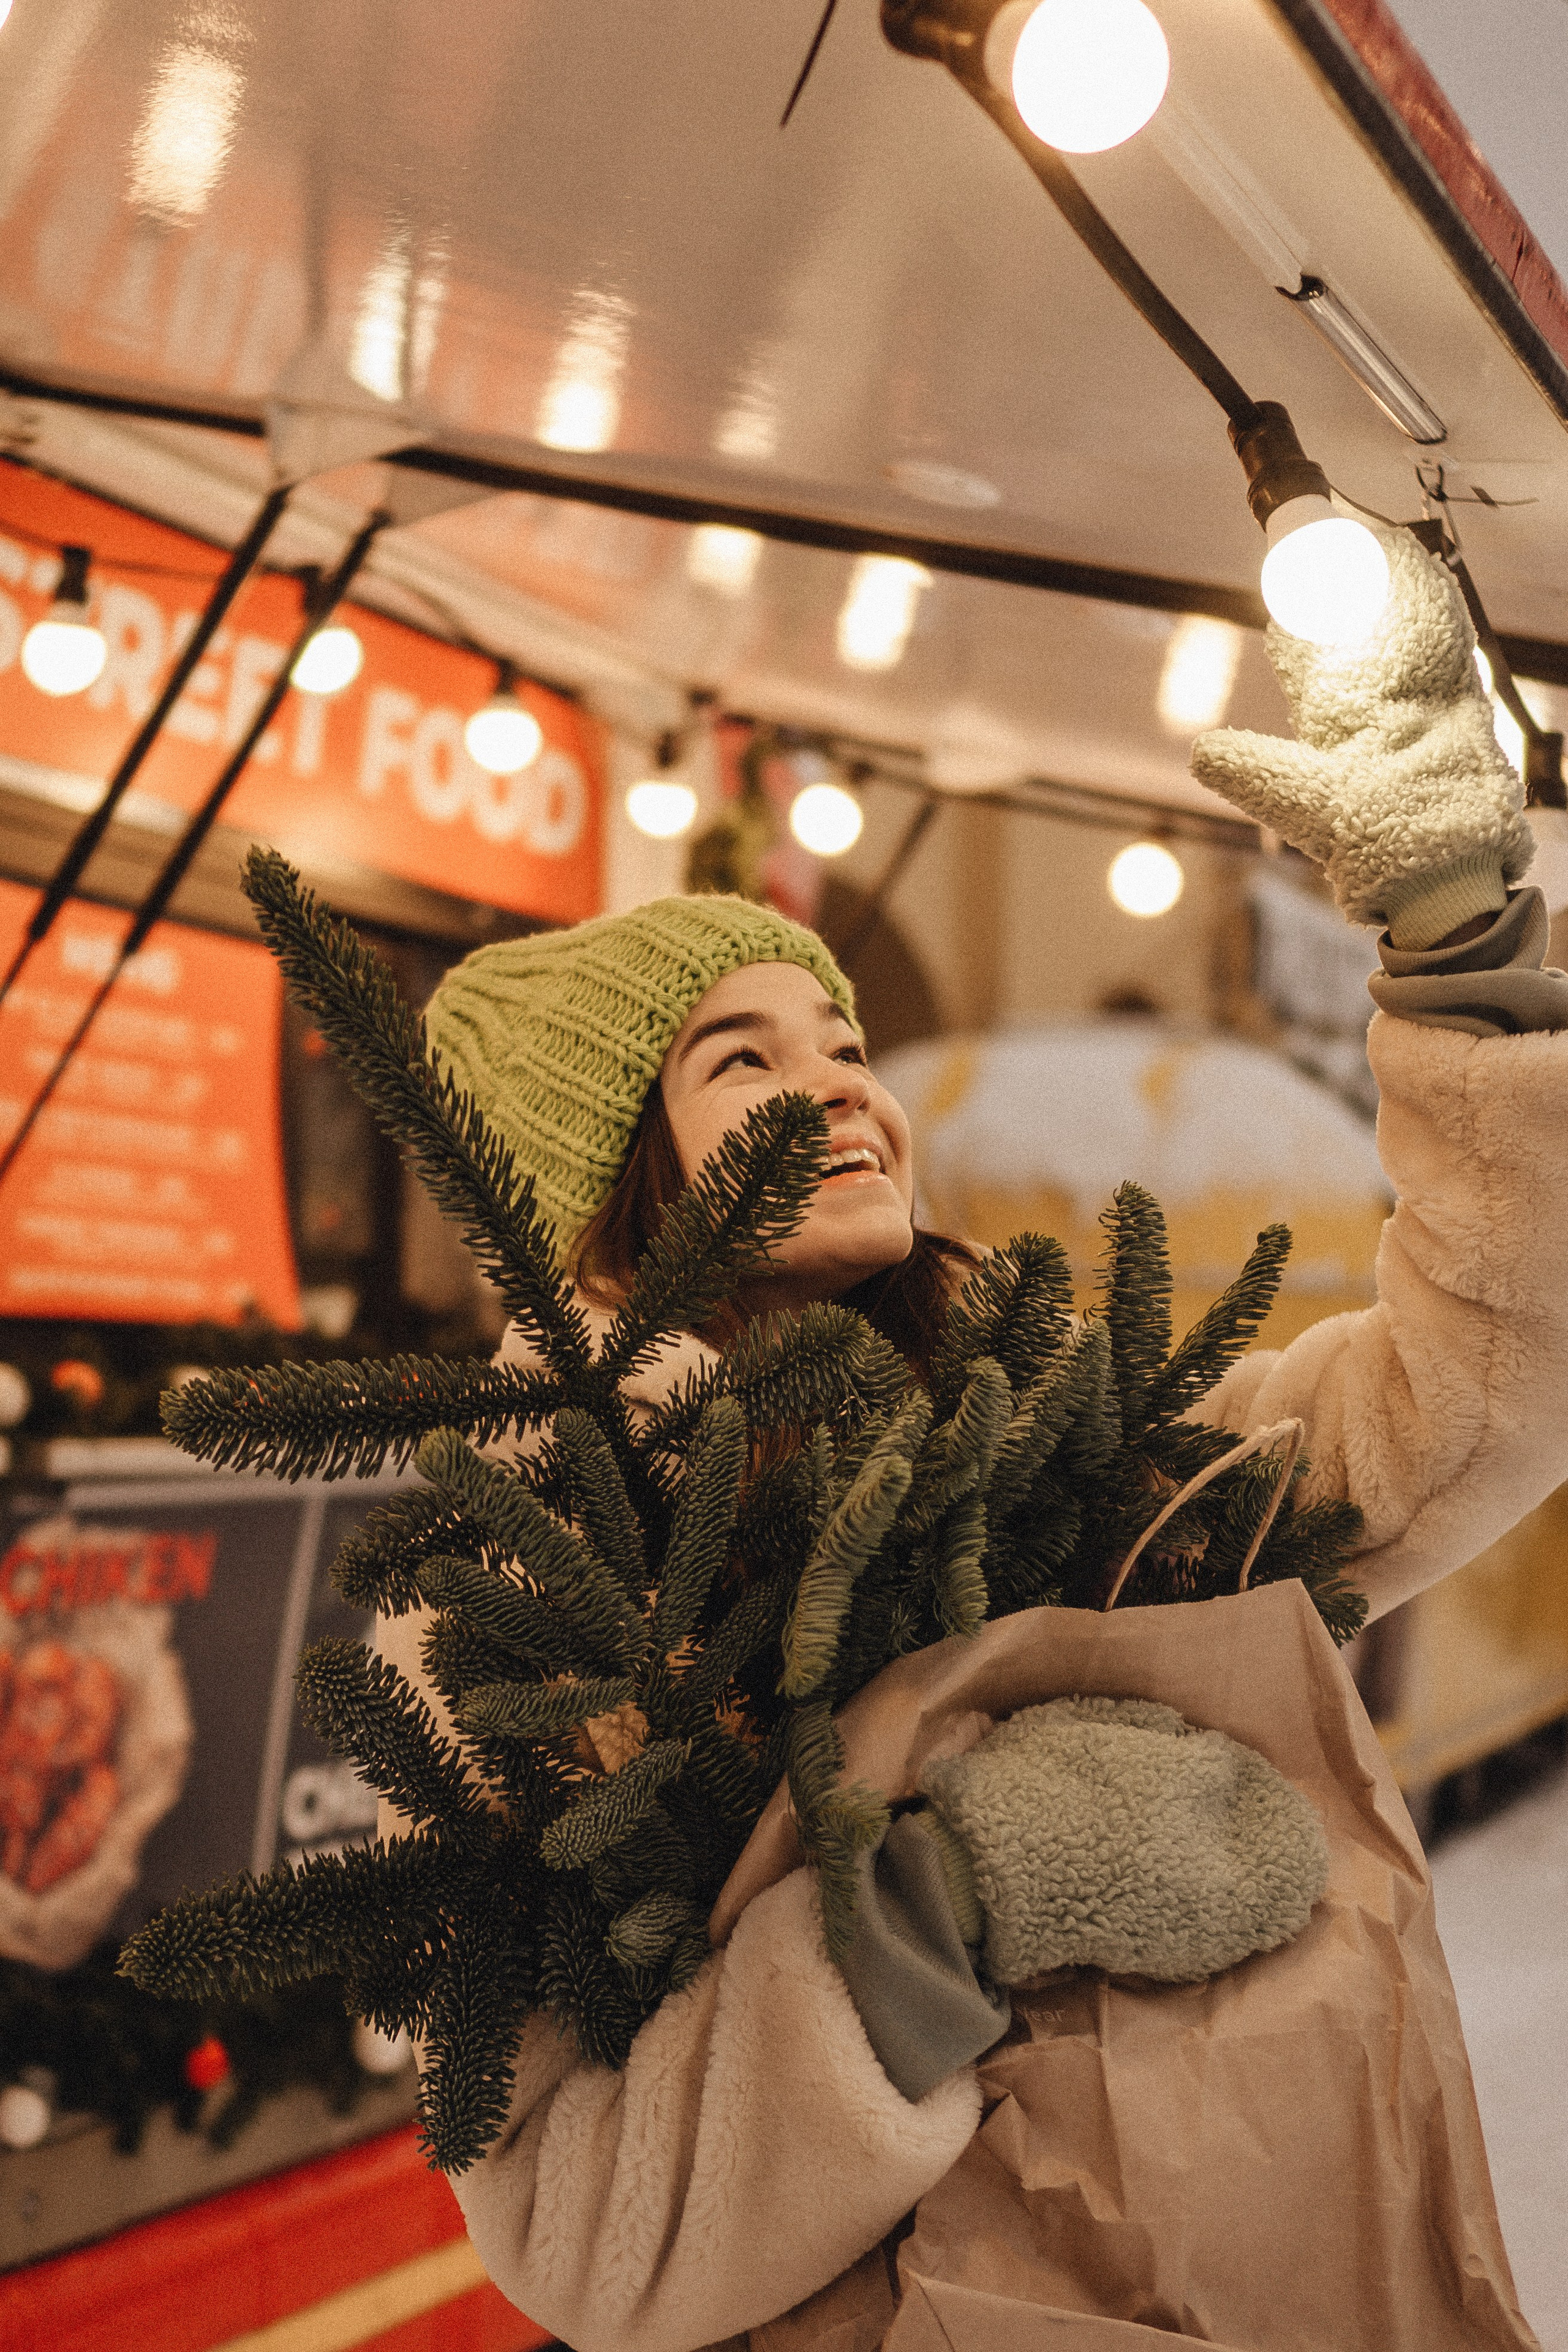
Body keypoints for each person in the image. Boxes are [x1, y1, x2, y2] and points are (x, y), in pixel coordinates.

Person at [379, 530, 1568, 2351]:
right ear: (616, 1186)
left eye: (844, 1038)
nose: (844, 1082)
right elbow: (587, 2238)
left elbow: (1485, 1378)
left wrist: (1463, 939)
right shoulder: (523, 1615)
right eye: (744, 1062)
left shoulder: (1064, 1445)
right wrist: (943, 1899)